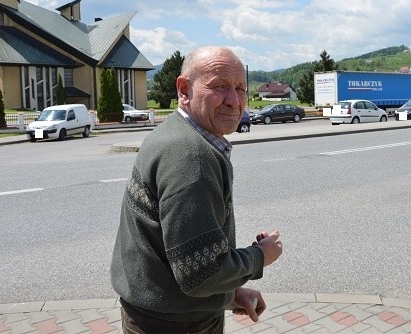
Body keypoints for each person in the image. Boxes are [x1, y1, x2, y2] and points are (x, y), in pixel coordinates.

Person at [111, 46, 283, 333]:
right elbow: (202, 274)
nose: (233, 100)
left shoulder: (176, 134)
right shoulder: (191, 155)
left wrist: (230, 294)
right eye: (219, 87)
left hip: (158, 313)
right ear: (184, 89)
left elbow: (175, 255)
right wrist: (260, 256)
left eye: (241, 88)